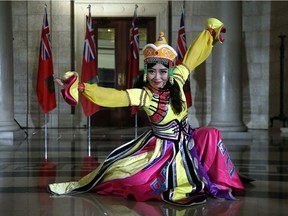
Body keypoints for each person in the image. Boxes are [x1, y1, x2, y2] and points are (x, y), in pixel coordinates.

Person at [49, 18, 244, 206]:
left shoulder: (177, 78)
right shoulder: (144, 95)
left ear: (169, 71)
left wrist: (209, 34)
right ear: (146, 72)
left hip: (189, 140)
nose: (157, 77)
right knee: (131, 180)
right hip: (165, 151)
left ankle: (222, 178)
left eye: (162, 72)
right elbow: (113, 96)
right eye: (152, 71)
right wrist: (82, 87)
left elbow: (192, 58)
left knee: (211, 134)